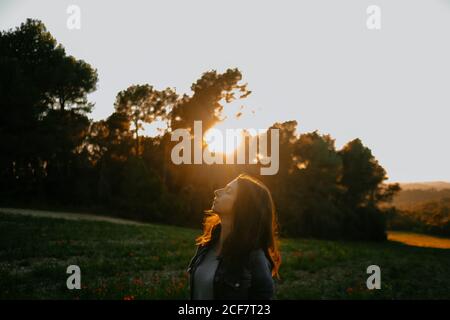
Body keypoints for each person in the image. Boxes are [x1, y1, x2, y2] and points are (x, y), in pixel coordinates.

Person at [186, 173, 281, 300]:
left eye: (228, 191)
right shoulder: (206, 245)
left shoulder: (254, 258)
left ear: (244, 205)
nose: (217, 191)